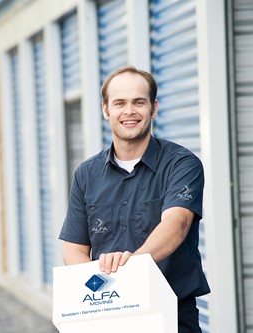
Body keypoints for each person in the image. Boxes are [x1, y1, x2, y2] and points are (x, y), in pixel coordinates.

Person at [58, 66, 210, 333]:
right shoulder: (86, 174)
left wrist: (126, 276)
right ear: (106, 110)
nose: (129, 111)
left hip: (171, 314)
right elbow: (74, 250)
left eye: (139, 102)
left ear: (154, 107)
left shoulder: (182, 164)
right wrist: (105, 290)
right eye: (119, 103)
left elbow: (177, 225)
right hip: (106, 312)